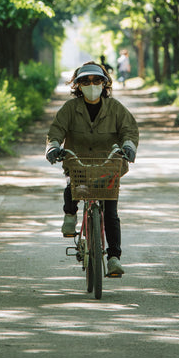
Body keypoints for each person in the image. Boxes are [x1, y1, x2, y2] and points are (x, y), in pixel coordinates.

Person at [46, 61, 139, 277]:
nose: (91, 84)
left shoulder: (115, 108)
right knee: (72, 187)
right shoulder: (70, 109)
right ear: (77, 85)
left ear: (104, 84)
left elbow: (130, 131)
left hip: (108, 166)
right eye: (85, 81)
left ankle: (114, 258)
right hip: (78, 163)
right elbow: (56, 130)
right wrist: (53, 147)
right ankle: (70, 215)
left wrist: (128, 147)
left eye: (97, 80)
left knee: (111, 213)